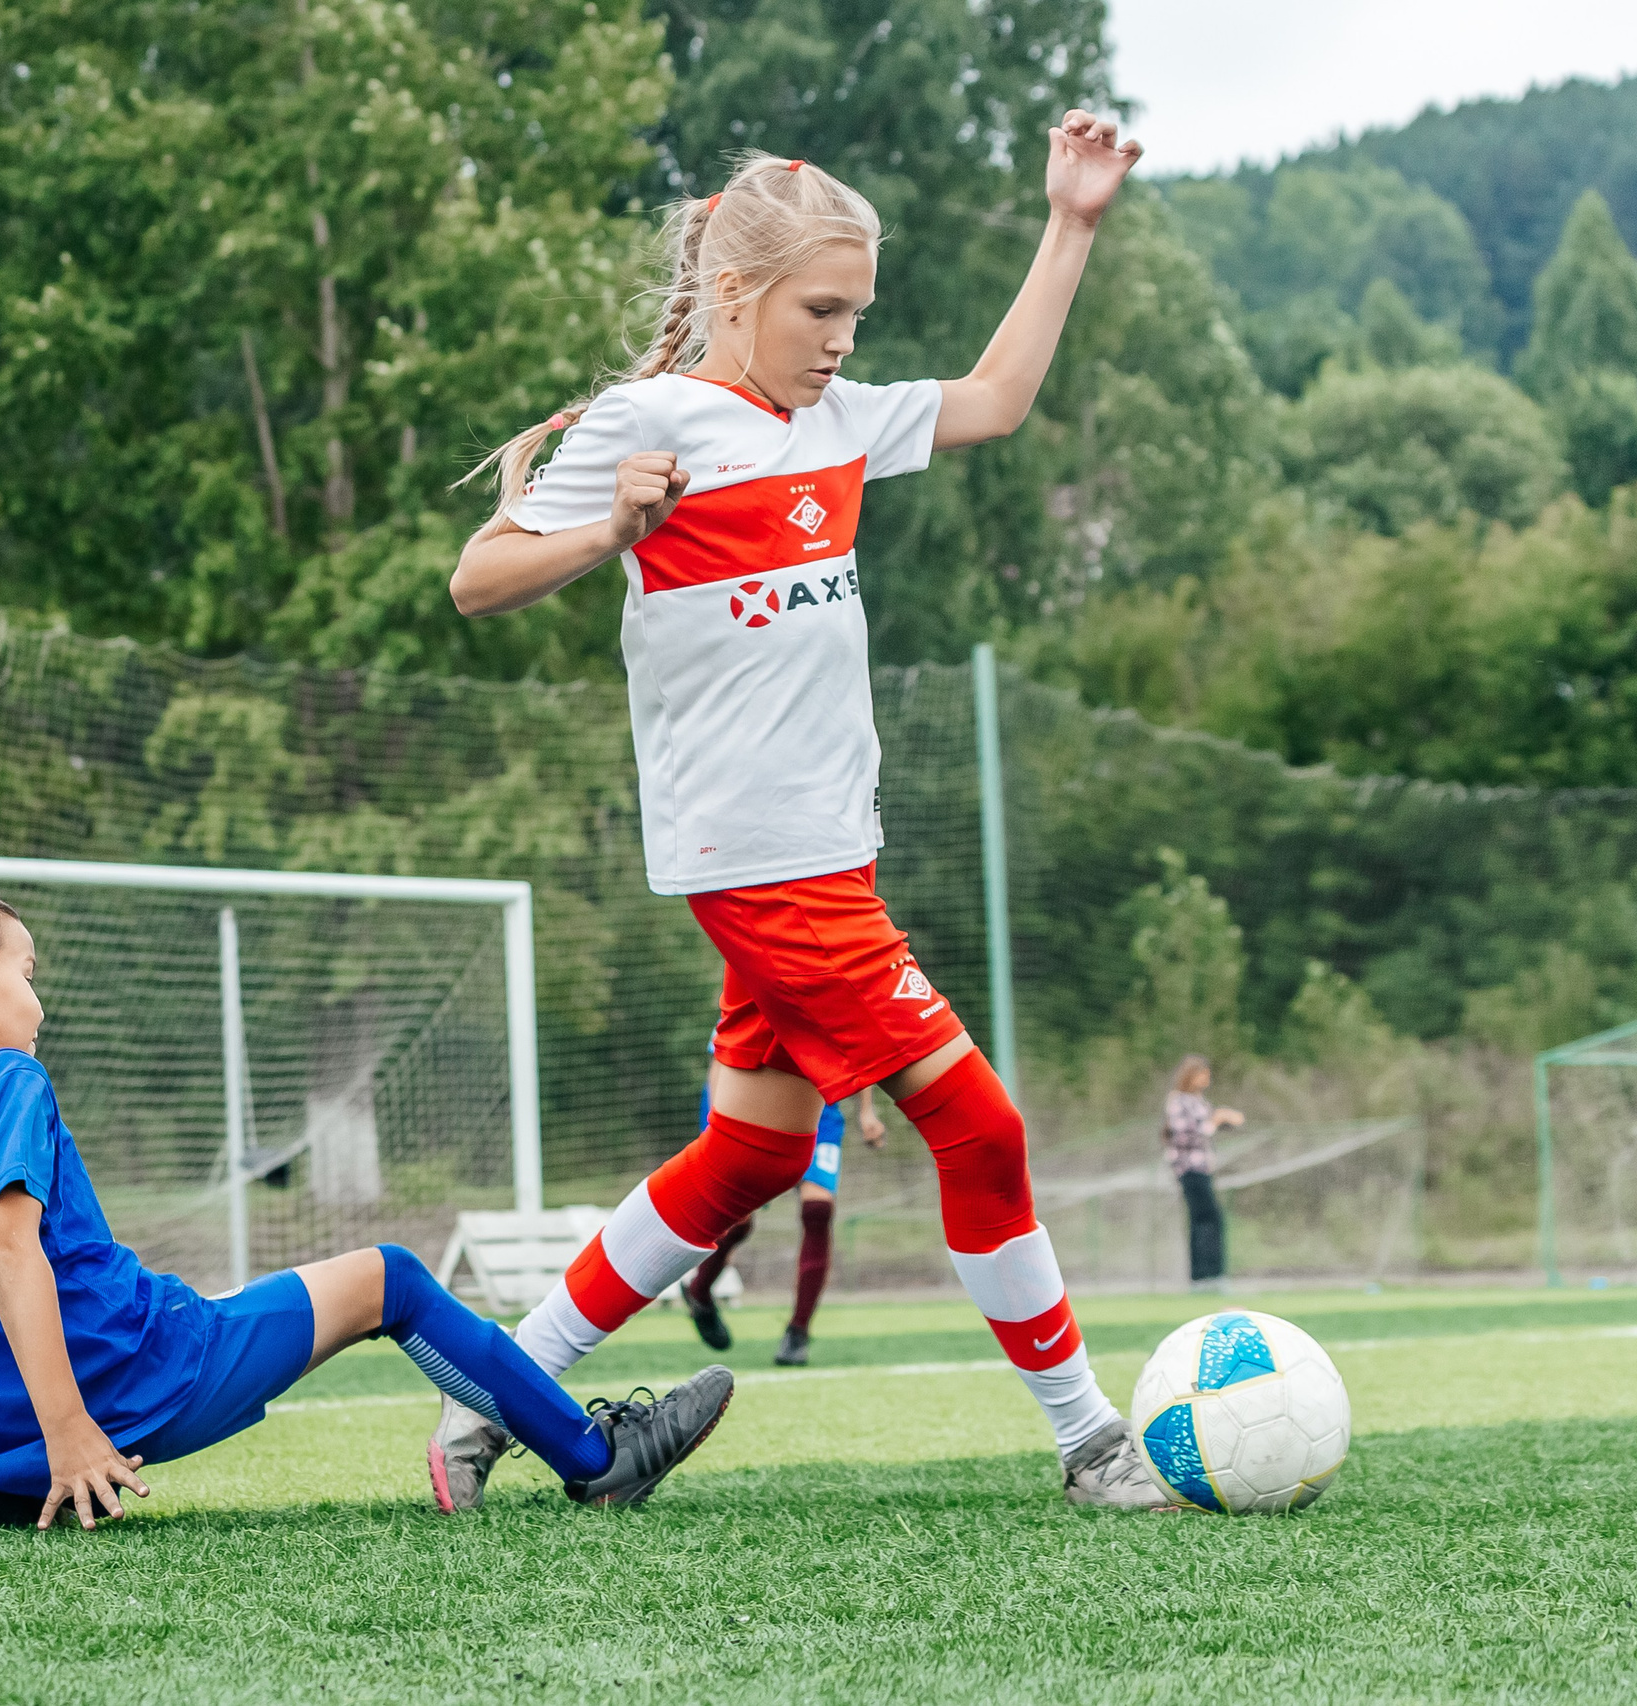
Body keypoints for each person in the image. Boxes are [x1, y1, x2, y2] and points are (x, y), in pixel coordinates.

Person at [438, 119, 1171, 1511]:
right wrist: (611, 533)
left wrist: (1071, 224)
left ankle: (491, 1396)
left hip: (828, 854)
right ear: (735, 298)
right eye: (820, 308)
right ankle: (1088, 1439)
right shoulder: (651, 423)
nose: (841, 337)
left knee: (755, 1152)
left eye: (857, 312)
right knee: (986, 1131)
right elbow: (480, 575)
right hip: (764, 863)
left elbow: (996, 400)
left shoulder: (836, 422)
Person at [0, 882, 732, 1535]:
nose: (40, 996)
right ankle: (597, 1459)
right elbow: (8, 1243)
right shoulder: (0, 1079)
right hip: (133, 1375)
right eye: (29, 970)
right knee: (392, 1279)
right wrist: (72, 1428)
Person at [675, 1033, 885, 1365]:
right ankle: (700, 1292)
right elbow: (721, 1059)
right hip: (754, 1104)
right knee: (739, 1221)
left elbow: (858, 1049)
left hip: (819, 1107)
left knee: (818, 1210)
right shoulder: (757, 986)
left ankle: (798, 1331)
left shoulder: (834, 991)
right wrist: (716, 1126)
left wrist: (867, 1112)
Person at [1163, 1055, 1242, 1292]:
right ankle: (1206, 1276)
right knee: (1207, 1218)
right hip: (1189, 1168)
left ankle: (1207, 1276)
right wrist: (1214, 1122)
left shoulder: (1199, 1102)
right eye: (1202, 1074)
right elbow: (1185, 1136)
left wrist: (1228, 1119)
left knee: (1206, 1219)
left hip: (1204, 1168)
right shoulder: (1179, 1101)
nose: (1206, 1079)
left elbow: (1209, 1127)